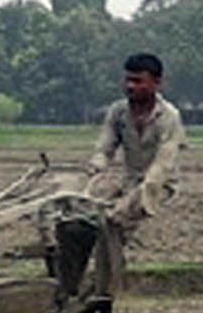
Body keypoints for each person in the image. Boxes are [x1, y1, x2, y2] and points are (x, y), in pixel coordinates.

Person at [74, 51, 185, 297]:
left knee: (111, 222)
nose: (130, 86)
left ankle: (105, 292)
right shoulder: (118, 112)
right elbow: (105, 147)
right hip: (130, 179)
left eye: (138, 81)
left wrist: (130, 202)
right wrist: (95, 167)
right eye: (127, 80)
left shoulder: (169, 117)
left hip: (159, 185)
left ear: (157, 83)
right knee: (76, 222)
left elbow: (162, 166)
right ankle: (71, 286)